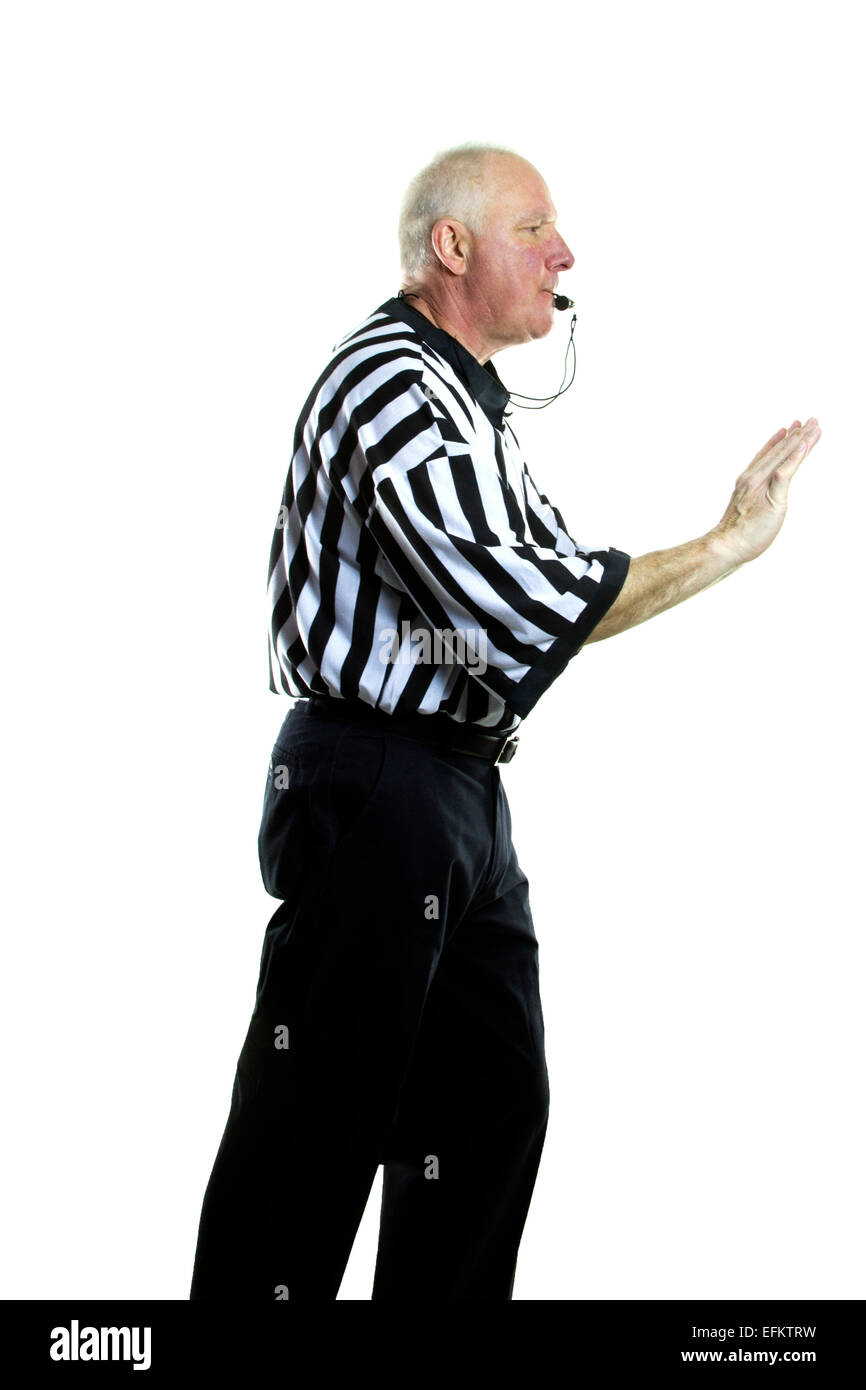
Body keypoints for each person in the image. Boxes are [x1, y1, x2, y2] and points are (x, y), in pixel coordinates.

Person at [189, 143, 821, 1302]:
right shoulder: (392, 382)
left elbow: (548, 602)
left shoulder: (468, 409)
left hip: (458, 791)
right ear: (452, 246)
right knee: (314, 1127)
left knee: (485, 1114)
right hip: (376, 781)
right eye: (534, 228)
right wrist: (724, 543)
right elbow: (520, 608)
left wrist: (694, 552)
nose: (564, 255)